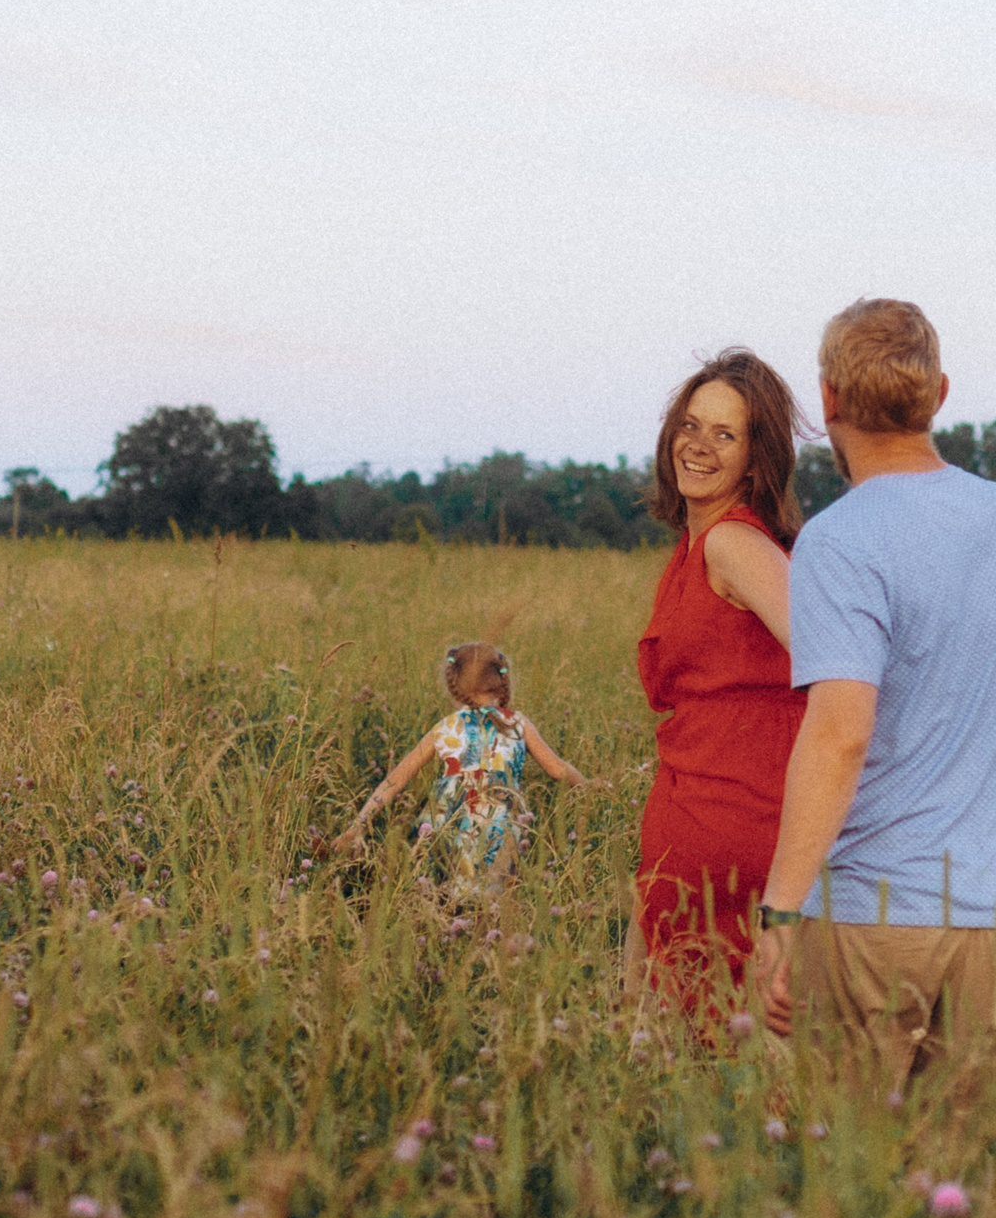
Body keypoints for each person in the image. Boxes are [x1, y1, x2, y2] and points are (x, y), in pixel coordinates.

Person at [749, 298, 996, 1102]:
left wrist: (779, 913)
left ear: (827, 402)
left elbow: (841, 732)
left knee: (848, 1181)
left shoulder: (841, 538)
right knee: (957, 1188)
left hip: (876, 915)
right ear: (940, 393)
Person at [634, 349, 810, 1018]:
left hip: (740, 835)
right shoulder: (695, 543)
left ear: (757, 461)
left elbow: (838, 659)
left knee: (735, 1071)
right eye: (690, 424)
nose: (698, 445)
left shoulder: (734, 544)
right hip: (693, 828)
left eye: (725, 434)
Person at [339, 641, 594, 891]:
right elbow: (557, 769)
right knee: (492, 905)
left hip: (446, 825)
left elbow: (396, 779)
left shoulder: (445, 727)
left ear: (454, 684)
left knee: (441, 899)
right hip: (499, 825)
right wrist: (589, 785)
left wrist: (357, 826)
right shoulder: (518, 724)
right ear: (499, 678)